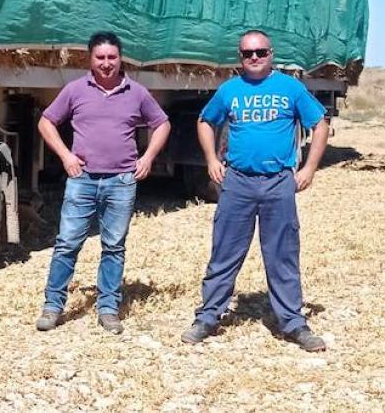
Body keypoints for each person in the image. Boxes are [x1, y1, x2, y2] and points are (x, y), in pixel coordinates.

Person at [180, 29, 330, 351]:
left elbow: (320, 124)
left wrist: (309, 169)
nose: (254, 58)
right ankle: (208, 317)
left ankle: (293, 323)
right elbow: (205, 121)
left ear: (271, 54)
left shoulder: (290, 88)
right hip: (238, 182)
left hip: (278, 182)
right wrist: (211, 159)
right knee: (224, 251)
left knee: (282, 254)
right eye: (248, 53)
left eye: (260, 52)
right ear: (240, 57)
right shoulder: (230, 90)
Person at [35, 32, 171, 333]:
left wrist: (148, 157)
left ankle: (108, 307)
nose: (106, 63)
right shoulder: (75, 90)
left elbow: (161, 123)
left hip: (121, 181)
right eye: (100, 57)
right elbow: (46, 122)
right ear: (90, 59)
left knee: (114, 246)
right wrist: (66, 156)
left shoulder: (136, 92)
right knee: (67, 243)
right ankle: (52, 306)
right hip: (82, 180)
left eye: (112, 57)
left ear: (120, 59)